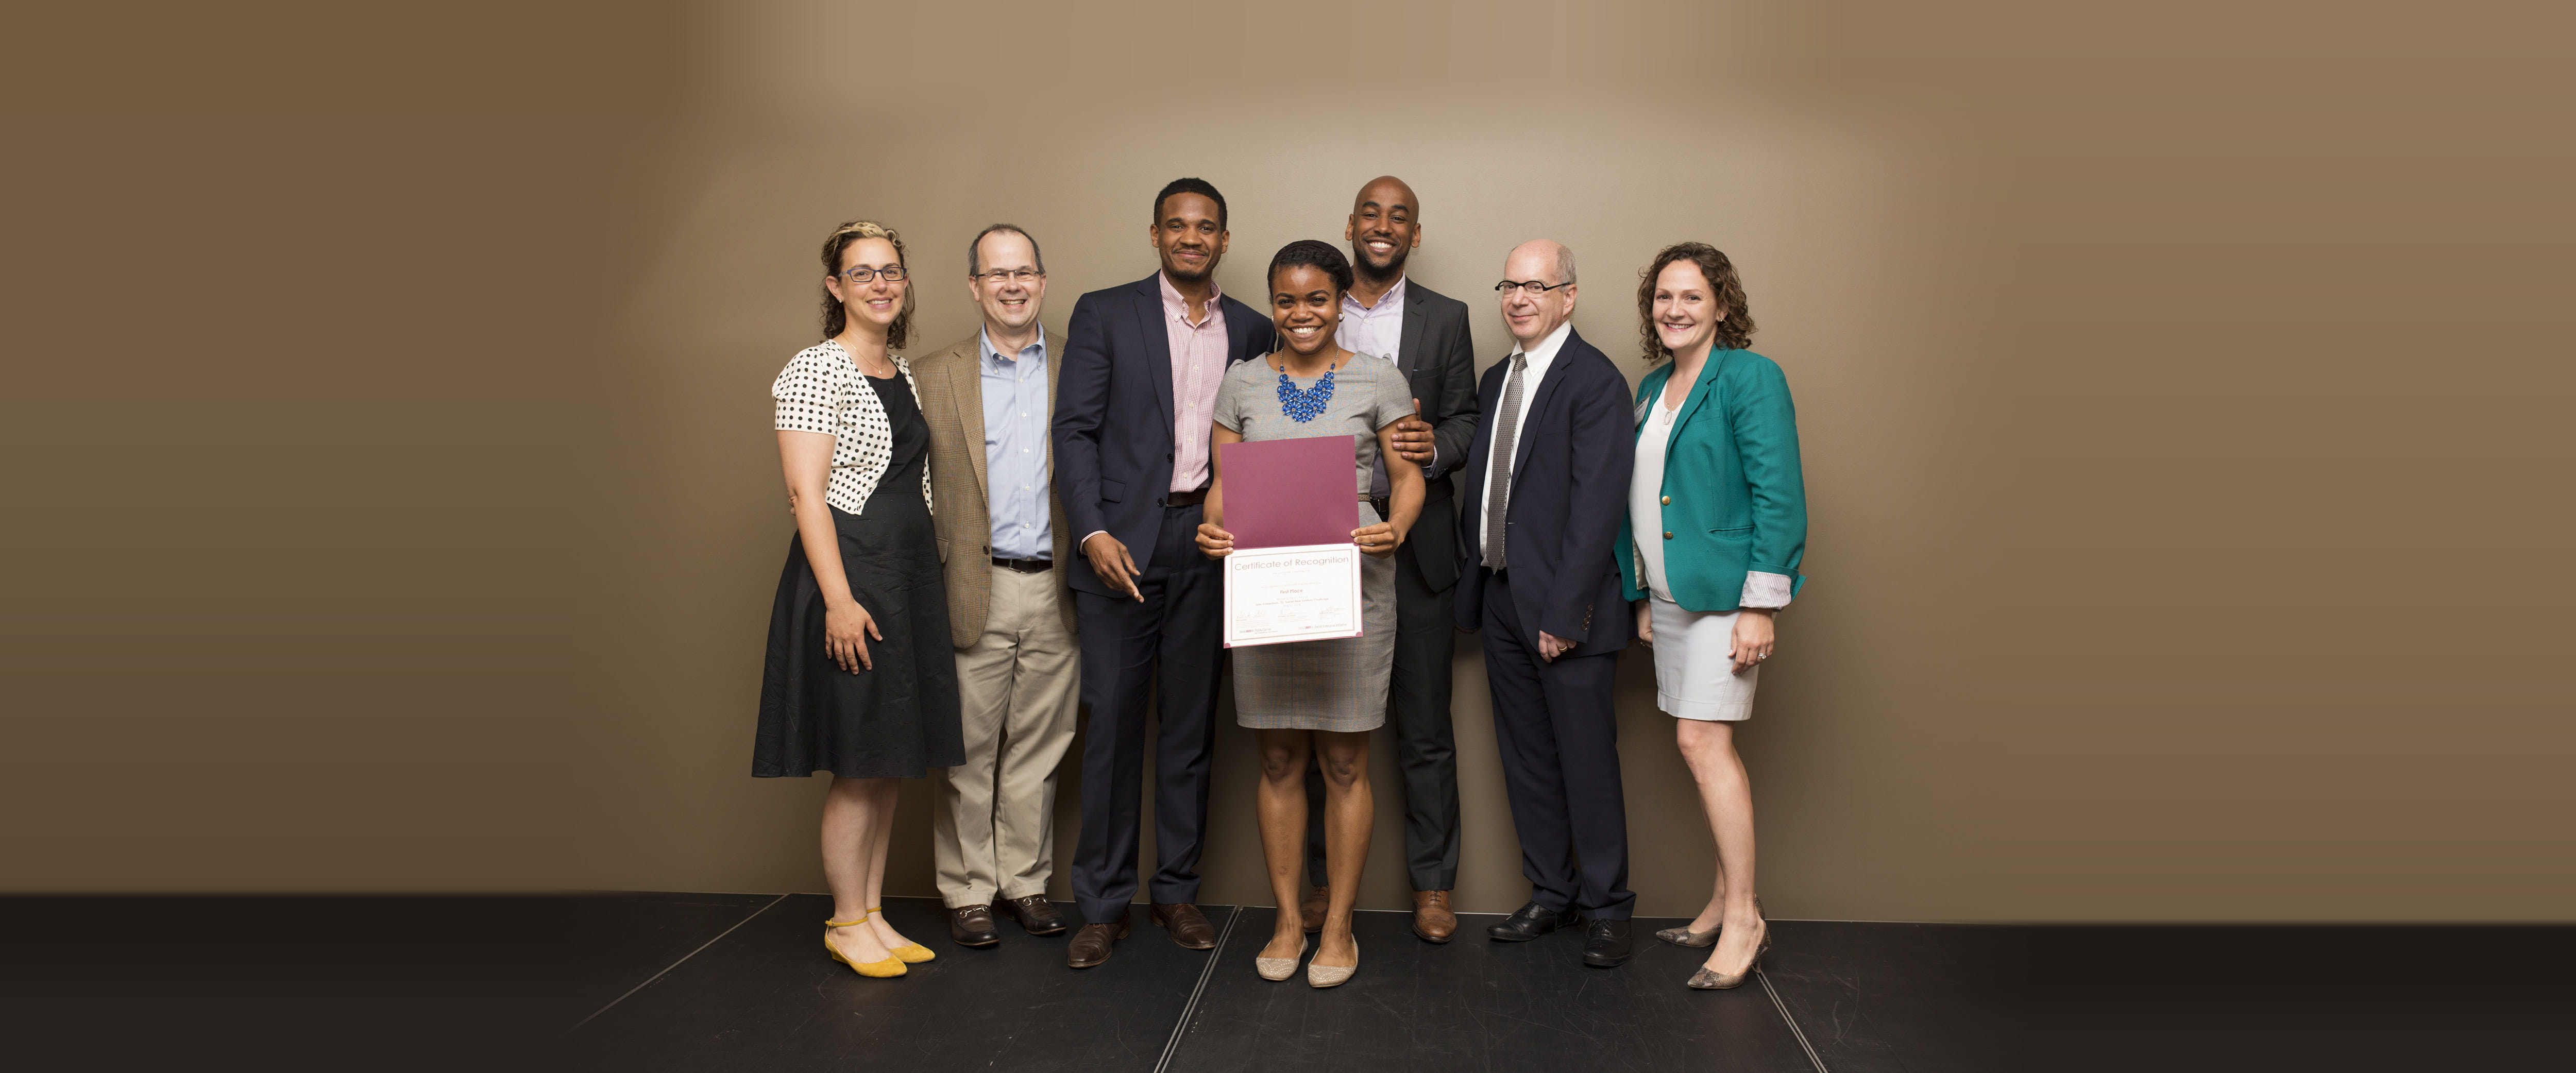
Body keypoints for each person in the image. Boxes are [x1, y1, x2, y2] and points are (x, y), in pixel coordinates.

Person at [1052, 178, 1278, 969]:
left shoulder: (1252, 327)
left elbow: (1270, 435)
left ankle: (1175, 895)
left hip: (1211, 541)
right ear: (1155, 235)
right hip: (1121, 546)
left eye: (1206, 227)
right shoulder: (1104, 312)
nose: (1192, 237)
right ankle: (1103, 906)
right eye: (1177, 226)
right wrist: (1092, 533)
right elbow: (1074, 432)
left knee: (1188, 731)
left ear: (1224, 239)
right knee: (1112, 729)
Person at [1195, 240, 1425, 987]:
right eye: (1287, 300)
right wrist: (1212, 528)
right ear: (1272, 304)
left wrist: (1400, 525)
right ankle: (1288, 920)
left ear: (1338, 302)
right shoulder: (1240, 385)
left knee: (1345, 761)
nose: (1302, 314)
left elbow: (1406, 476)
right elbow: (1224, 489)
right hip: (1266, 589)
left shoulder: (1378, 379)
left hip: (1353, 583)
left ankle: (1338, 926)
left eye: (1317, 300)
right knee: (1277, 758)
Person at [754, 219, 962, 979]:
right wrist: (840, 602)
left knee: (886, 758)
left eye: (892, 271)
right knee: (856, 760)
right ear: (836, 287)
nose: (880, 284)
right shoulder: (815, 368)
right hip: (855, 574)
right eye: (862, 272)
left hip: (904, 576)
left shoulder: (899, 370)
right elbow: (806, 496)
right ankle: (845, 922)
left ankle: (872, 913)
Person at [1288, 177, 1479, 944]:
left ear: (1415, 235)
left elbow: (1464, 417)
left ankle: (1433, 886)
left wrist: (1437, 449)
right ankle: (1322, 885)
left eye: (1399, 217)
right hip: (1317, 545)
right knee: (1320, 725)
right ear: (1350, 225)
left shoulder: (1448, 319)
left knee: (1426, 728)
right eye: (1371, 213)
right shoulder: (1308, 308)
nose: (1383, 226)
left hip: (1415, 550)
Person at [1616, 243, 1806, 989]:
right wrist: (1641, 594)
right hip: (1670, 599)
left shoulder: (1751, 379)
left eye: (1692, 297)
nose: (1674, 310)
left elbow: (1778, 494)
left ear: (1723, 306)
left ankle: (1745, 917)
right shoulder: (1652, 386)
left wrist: (1761, 607)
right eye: (1663, 297)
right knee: (1697, 745)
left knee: (1703, 744)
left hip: (1727, 600)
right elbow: (1643, 497)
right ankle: (1721, 896)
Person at [1452, 240, 1640, 968]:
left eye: (1537, 286)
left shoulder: (1595, 381)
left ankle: (1607, 907)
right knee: (1526, 757)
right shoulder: (1500, 376)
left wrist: (1564, 616)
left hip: (1567, 609)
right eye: (1510, 284)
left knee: (1586, 760)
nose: (1519, 298)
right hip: (1501, 596)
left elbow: (1597, 511)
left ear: (1569, 296)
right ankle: (1551, 893)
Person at [911, 225, 1080, 948]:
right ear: (975, 287)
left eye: (1024, 272)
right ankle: (968, 891)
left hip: (1058, 586)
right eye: (996, 274)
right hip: (970, 584)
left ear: (1042, 281)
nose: (1012, 285)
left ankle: (1026, 884)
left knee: (1040, 749)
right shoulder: (930, 374)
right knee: (967, 752)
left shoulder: (1082, 366)